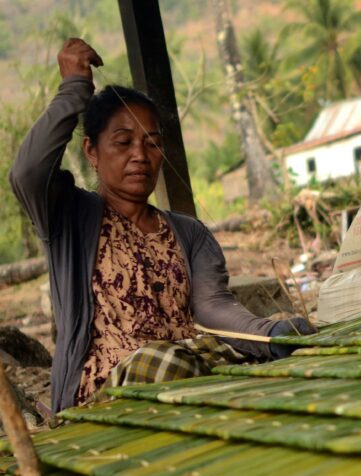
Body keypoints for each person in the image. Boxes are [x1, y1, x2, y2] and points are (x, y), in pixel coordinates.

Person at [9, 38, 313, 414]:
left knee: (258, 366)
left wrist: (269, 334)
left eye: (152, 144)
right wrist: (74, 88)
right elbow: (27, 174)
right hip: (110, 398)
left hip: (186, 376)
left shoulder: (190, 233)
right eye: (123, 142)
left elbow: (213, 308)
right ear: (91, 151)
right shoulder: (69, 216)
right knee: (164, 362)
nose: (140, 155)